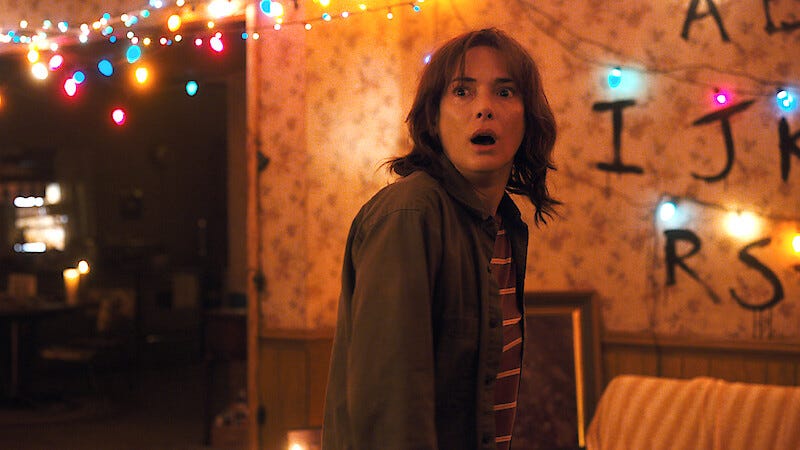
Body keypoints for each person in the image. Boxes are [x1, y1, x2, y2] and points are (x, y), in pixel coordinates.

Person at [322, 28, 559, 450]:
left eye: (504, 92)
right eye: (462, 92)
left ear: (528, 119)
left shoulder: (504, 224)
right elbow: (390, 410)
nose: (484, 108)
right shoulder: (410, 215)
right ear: (433, 117)